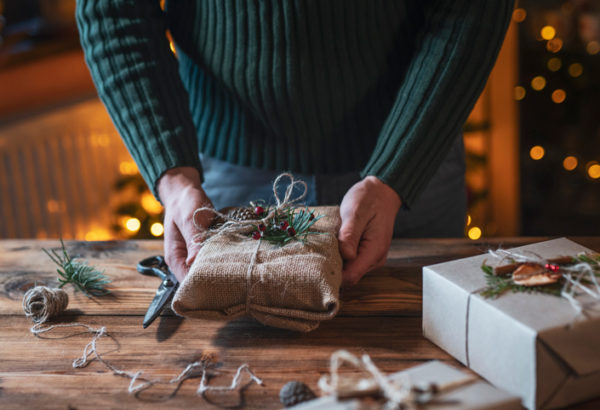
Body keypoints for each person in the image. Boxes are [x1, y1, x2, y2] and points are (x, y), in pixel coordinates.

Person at [76, 0, 513, 286]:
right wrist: (173, 177)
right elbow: (113, 11)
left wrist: (398, 171)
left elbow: (472, 9)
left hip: (411, 167)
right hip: (223, 183)